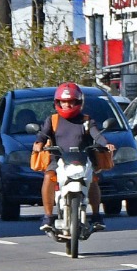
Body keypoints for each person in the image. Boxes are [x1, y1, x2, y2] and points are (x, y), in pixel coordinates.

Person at [36, 83, 114, 235]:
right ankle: (48, 217)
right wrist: (39, 143)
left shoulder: (86, 120)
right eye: (63, 101)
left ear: (79, 102)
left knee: (93, 180)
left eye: (71, 101)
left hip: (83, 159)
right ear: (57, 103)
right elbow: (43, 134)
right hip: (58, 159)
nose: (67, 105)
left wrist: (107, 144)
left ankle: (97, 216)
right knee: (48, 177)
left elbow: (96, 135)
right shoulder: (52, 120)